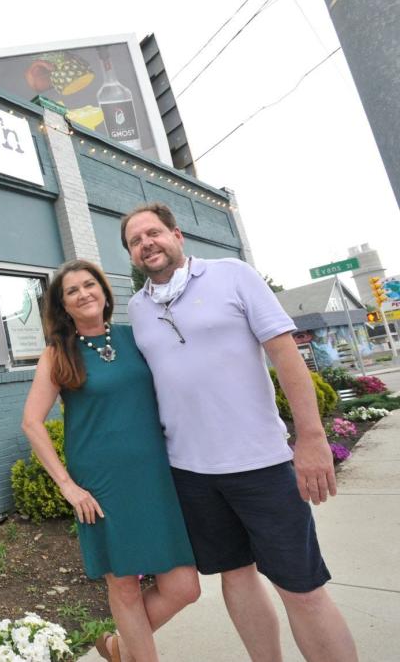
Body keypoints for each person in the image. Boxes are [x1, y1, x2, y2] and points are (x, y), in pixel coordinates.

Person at [121, 202, 358, 662]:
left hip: (262, 465)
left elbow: (286, 355)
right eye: (135, 240)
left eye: (153, 233)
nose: (146, 243)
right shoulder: (138, 308)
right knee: (235, 576)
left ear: (177, 236)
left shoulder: (233, 275)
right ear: (132, 255)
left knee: (302, 588)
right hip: (190, 472)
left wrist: (310, 438)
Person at [21, 259, 199, 662]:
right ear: (63, 306)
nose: (84, 294)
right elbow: (31, 422)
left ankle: (120, 648)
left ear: (103, 291)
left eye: (90, 285)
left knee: (184, 586)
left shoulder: (135, 336)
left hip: (155, 477)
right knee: (124, 586)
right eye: (72, 291)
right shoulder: (57, 354)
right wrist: (67, 486)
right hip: (101, 484)